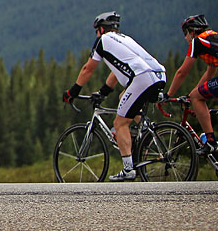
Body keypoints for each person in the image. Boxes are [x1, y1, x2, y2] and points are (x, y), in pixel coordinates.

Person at [63, 11, 166, 181]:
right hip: (159, 75)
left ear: (101, 29)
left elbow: (88, 69)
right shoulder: (125, 39)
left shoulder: (103, 41)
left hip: (142, 78)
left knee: (120, 123)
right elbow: (116, 72)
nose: (96, 34)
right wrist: (103, 92)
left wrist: (72, 92)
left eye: (96, 30)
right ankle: (146, 132)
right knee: (123, 97)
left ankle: (128, 170)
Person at [165, 14, 218, 156]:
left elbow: (182, 72)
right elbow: (210, 72)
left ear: (192, 32)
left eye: (185, 33)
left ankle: (211, 142)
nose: (185, 38)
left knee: (197, 97)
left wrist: (168, 95)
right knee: (197, 97)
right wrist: (192, 95)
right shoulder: (212, 37)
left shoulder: (197, 41)